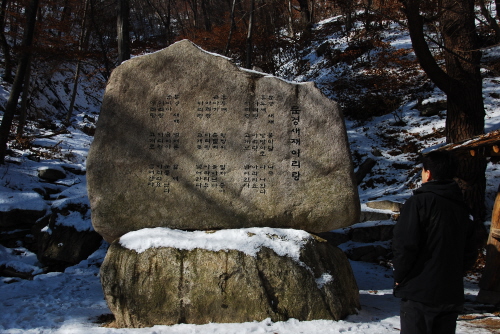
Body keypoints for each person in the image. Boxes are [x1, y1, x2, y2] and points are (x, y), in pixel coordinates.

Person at [392, 150, 478, 334]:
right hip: (451, 293)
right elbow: (471, 251)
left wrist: (400, 276)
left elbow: (405, 245)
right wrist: (452, 273)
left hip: (419, 292)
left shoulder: (418, 203)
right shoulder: (463, 209)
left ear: (428, 173)